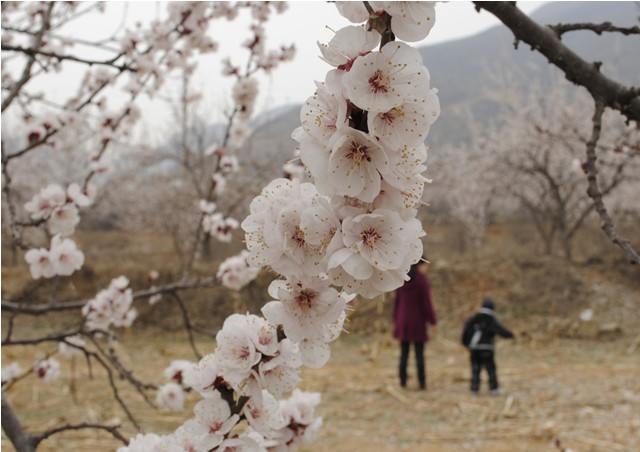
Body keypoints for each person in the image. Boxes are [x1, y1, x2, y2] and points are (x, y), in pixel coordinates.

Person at [393, 259, 437, 390]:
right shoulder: (422, 280)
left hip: (402, 319)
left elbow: (397, 302)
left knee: (404, 353)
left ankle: (402, 381)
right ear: (420, 264)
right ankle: (422, 383)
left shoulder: (401, 279)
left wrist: (395, 320)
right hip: (417, 321)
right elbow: (426, 304)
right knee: (419, 354)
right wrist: (432, 320)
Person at [461, 298, 514, 395]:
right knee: (490, 368)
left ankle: (474, 389)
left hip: (474, 348)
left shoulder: (474, 318)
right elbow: (500, 330)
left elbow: (466, 330)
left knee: (475, 368)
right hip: (486, 347)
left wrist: (466, 343)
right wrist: (510, 335)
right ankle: (493, 388)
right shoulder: (491, 319)